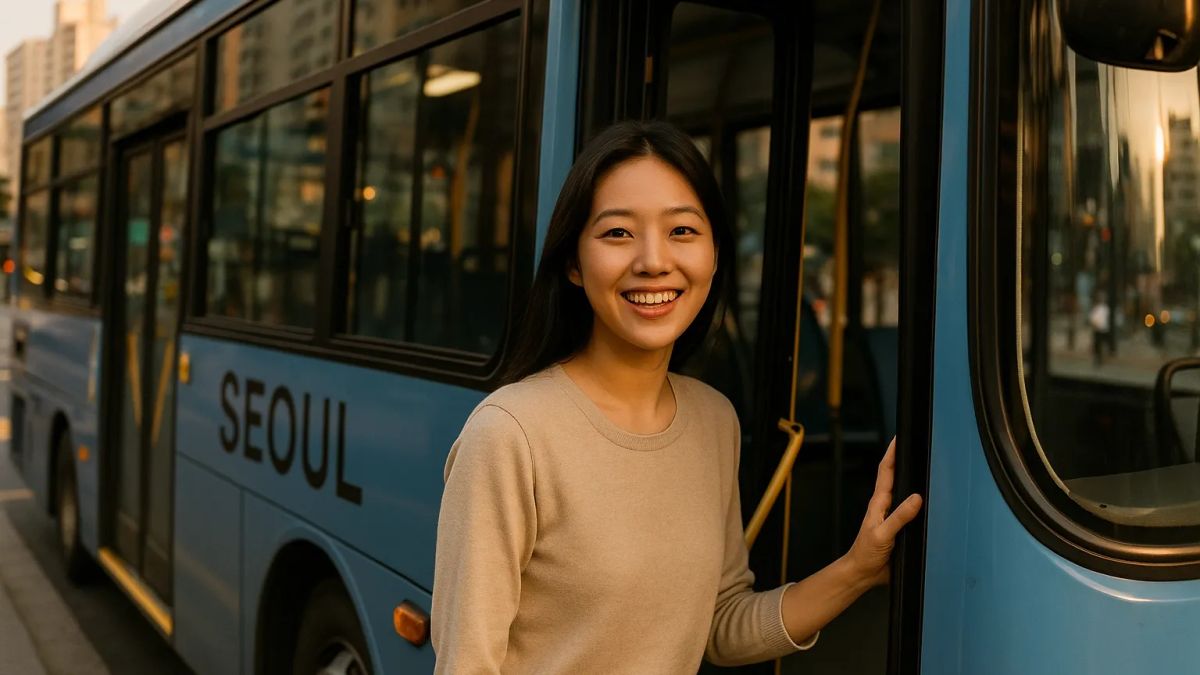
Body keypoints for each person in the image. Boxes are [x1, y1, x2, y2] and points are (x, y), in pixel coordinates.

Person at [431, 120, 923, 673]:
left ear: (714, 254)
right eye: (618, 233)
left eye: (682, 231)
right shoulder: (509, 434)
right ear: (573, 263)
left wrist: (858, 569)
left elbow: (722, 624)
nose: (653, 261)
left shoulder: (714, 419)